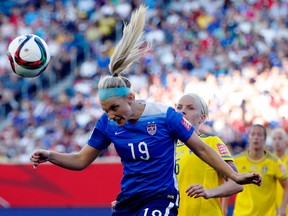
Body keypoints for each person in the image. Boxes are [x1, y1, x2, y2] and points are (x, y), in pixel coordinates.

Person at [30, 5, 261, 216]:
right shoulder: (107, 123)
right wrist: (50, 155)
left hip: (161, 199)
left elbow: (201, 148)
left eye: (114, 108)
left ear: (130, 98)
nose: (111, 115)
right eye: (105, 110)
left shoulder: (164, 116)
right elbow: (81, 160)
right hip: (128, 201)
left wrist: (235, 176)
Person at [175, 93, 243, 216]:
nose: (183, 111)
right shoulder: (168, 147)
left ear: (202, 118)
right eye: (179, 107)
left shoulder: (211, 142)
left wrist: (209, 192)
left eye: (190, 108)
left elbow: (237, 183)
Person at [233, 124, 288, 216]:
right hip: (241, 213)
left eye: (259, 135)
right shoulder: (237, 160)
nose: (256, 137)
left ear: (265, 139)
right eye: (253, 134)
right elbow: (228, 184)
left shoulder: (274, 162)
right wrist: (224, 207)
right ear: (248, 138)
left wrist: (282, 208)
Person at [271, 128, 288, 215]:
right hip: (271, 209)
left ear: (286, 141)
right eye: (274, 138)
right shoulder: (268, 161)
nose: (277, 141)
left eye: (280, 138)